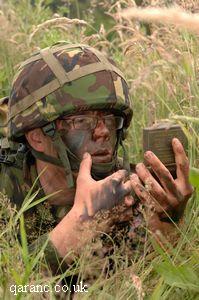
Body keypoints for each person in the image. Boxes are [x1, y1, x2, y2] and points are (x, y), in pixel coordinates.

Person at [0, 42, 193, 273]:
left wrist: (165, 219)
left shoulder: (127, 191)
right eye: (81, 121)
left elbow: (139, 278)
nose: (102, 131)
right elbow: (10, 287)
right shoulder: (6, 188)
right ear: (37, 137)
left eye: (110, 119)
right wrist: (83, 222)